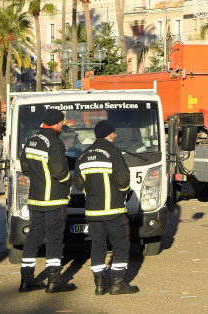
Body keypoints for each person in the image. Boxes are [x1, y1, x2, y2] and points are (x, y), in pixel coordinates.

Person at [75, 120, 139, 295]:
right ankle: (117, 282)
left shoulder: (83, 155)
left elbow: (79, 183)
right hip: (114, 210)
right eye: (114, 132)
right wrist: (124, 192)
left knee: (97, 246)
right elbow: (124, 178)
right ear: (108, 134)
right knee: (120, 244)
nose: (116, 135)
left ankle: (100, 284)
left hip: (93, 212)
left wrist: (91, 193)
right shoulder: (113, 152)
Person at [19, 108, 77, 293]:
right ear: (56, 123)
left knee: (33, 237)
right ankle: (54, 280)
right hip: (54, 199)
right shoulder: (55, 142)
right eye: (61, 122)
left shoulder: (32, 139)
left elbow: (25, 166)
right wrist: (69, 181)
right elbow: (59, 170)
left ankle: (26, 279)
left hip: (36, 198)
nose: (62, 125)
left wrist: (38, 178)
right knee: (54, 239)